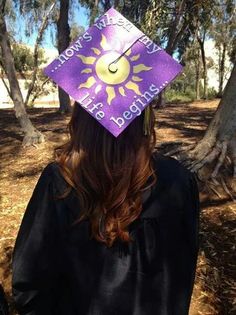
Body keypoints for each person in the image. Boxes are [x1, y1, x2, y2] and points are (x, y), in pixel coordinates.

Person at [12, 103, 200, 315]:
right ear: (144, 118)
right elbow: (181, 275)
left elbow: (29, 282)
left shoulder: (62, 182)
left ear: (81, 119)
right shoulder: (178, 180)